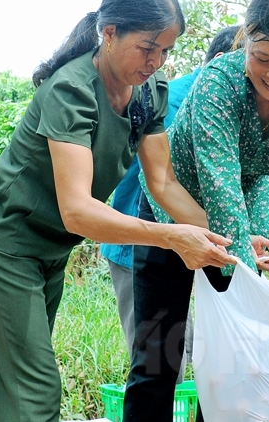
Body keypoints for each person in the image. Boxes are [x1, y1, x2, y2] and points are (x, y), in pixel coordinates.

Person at [0, 0, 237, 422]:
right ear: (109, 33)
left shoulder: (148, 92)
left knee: (10, 389)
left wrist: (231, 240)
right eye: (148, 47)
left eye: (166, 50)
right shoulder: (71, 90)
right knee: (34, 393)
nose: (156, 61)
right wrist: (171, 237)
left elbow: (163, 182)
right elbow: (77, 211)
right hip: (7, 243)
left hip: (50, 250)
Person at [122, 0, 269, 422]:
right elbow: (221, 184)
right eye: (263, 59)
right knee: (158, 358)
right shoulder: (217, 85)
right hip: (174, 217)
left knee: (229, 364)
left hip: (234, 223)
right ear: (245, 40)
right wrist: (252, 287)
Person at [98, 25, 241, 378]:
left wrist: (249, 232)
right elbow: (172, 185)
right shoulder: (179, 103)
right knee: (159, 363)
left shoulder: (227, 109)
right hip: (140, 244)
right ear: (222, 63)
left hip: (192, 242)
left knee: (189, 353)